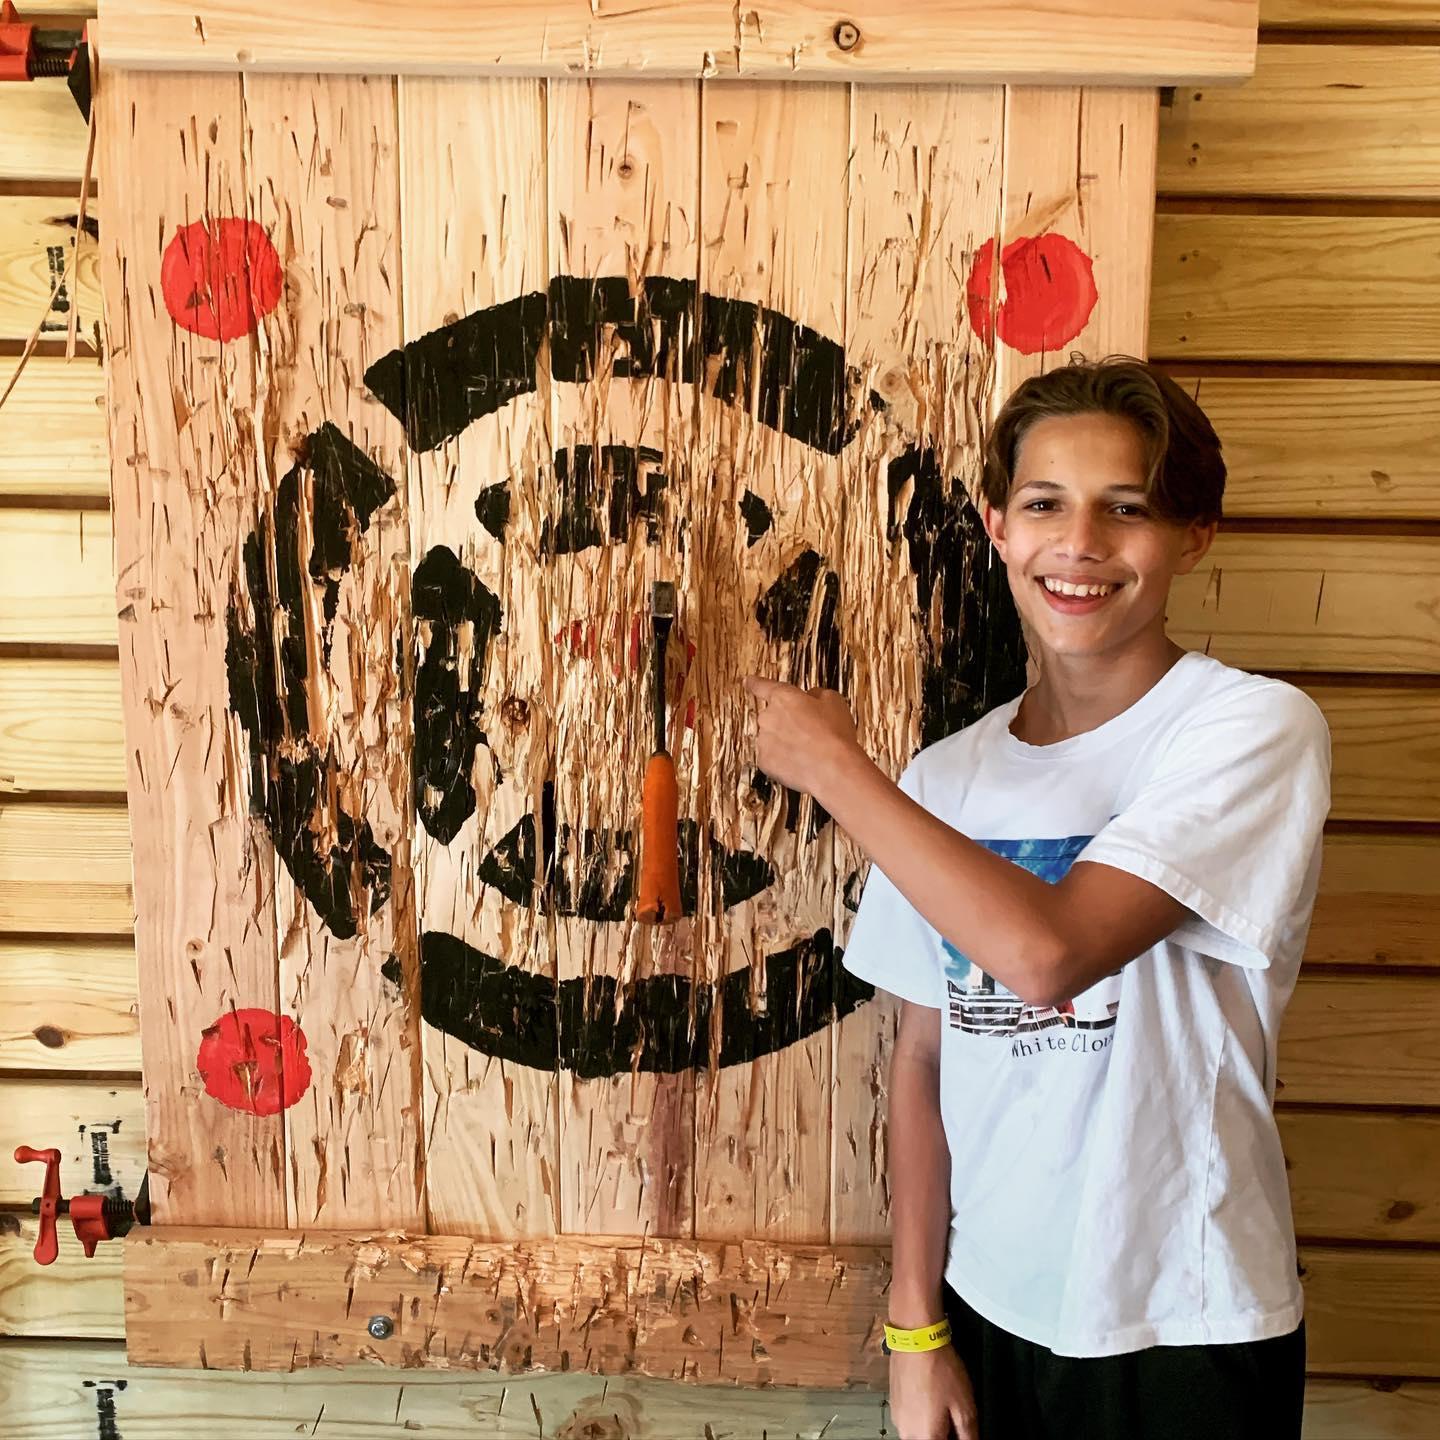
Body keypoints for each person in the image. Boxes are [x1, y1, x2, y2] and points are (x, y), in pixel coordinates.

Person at [745, 356, 1331, 1440]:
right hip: (988, 1309)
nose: (1081, 544)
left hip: (1187, 1322)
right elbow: (923, 1062)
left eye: (1128, 509)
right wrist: (915, 1330)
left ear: (1193, 536)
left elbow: (1049, 956)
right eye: (1045, 504)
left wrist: (833, 769)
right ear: (997, 528)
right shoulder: (944, 780)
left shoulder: (1250, 730)